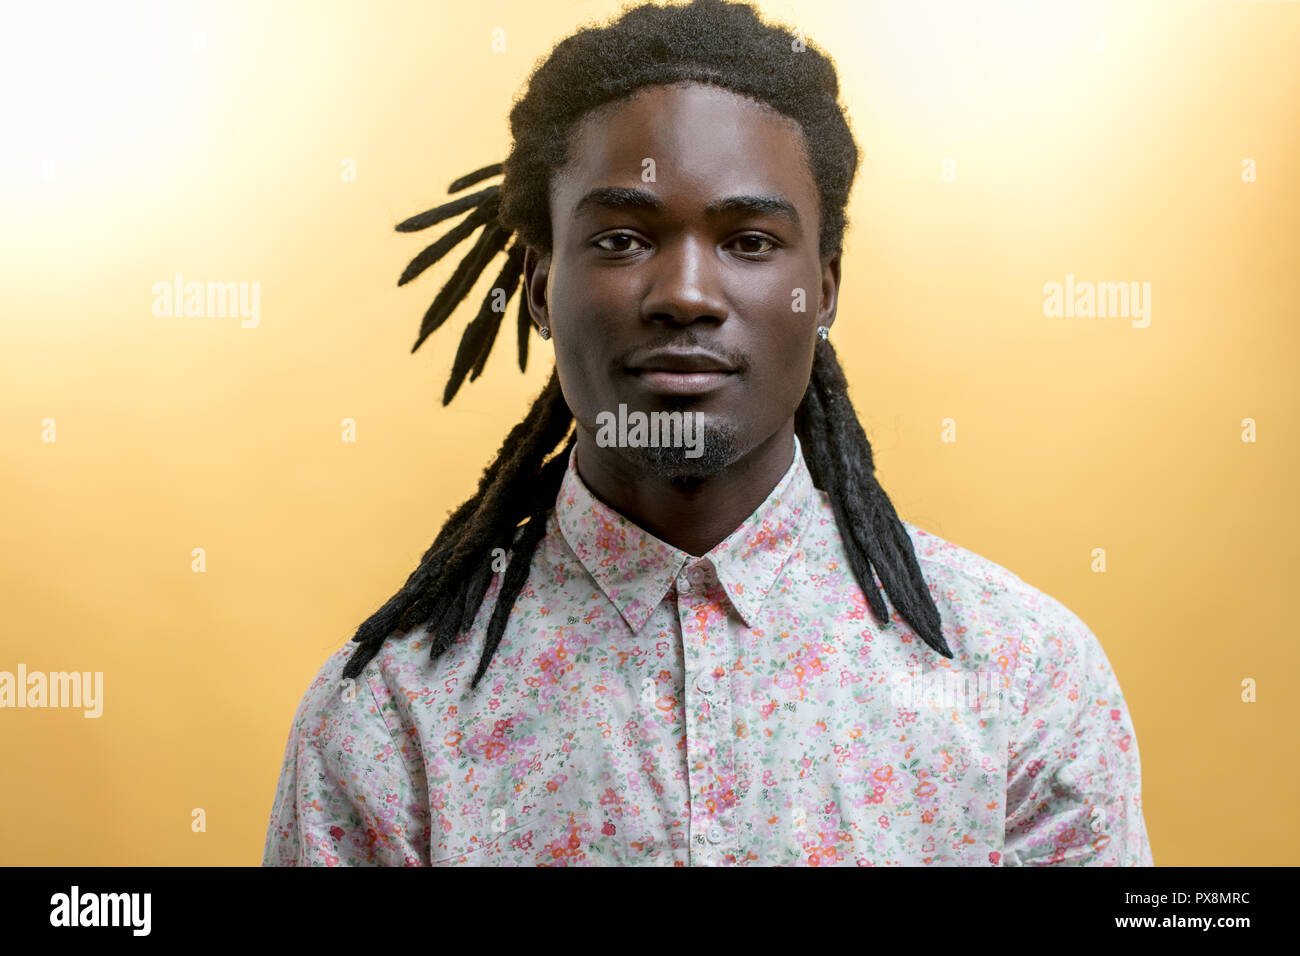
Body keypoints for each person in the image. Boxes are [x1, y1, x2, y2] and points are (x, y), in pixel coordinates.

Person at [263, 0, 1152, 866]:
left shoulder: (1024, 680)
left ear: (825, 288)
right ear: (538, 288)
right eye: (620, 238)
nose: (685, 293)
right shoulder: (387, 719)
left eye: (751, 242)